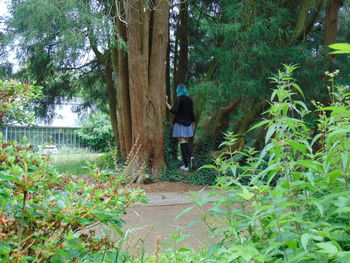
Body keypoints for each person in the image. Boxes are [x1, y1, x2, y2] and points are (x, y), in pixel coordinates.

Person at [166, 84, 195, 172]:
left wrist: (166, 103)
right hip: (188, 123)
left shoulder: (179, 99)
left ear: (178, 91)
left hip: (180, 123)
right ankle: (191, 157)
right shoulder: (190, 100)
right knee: (185, 141)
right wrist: (193, 124)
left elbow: (174, 111)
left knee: (182, 142)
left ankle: (186, 165)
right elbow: (192, 114)